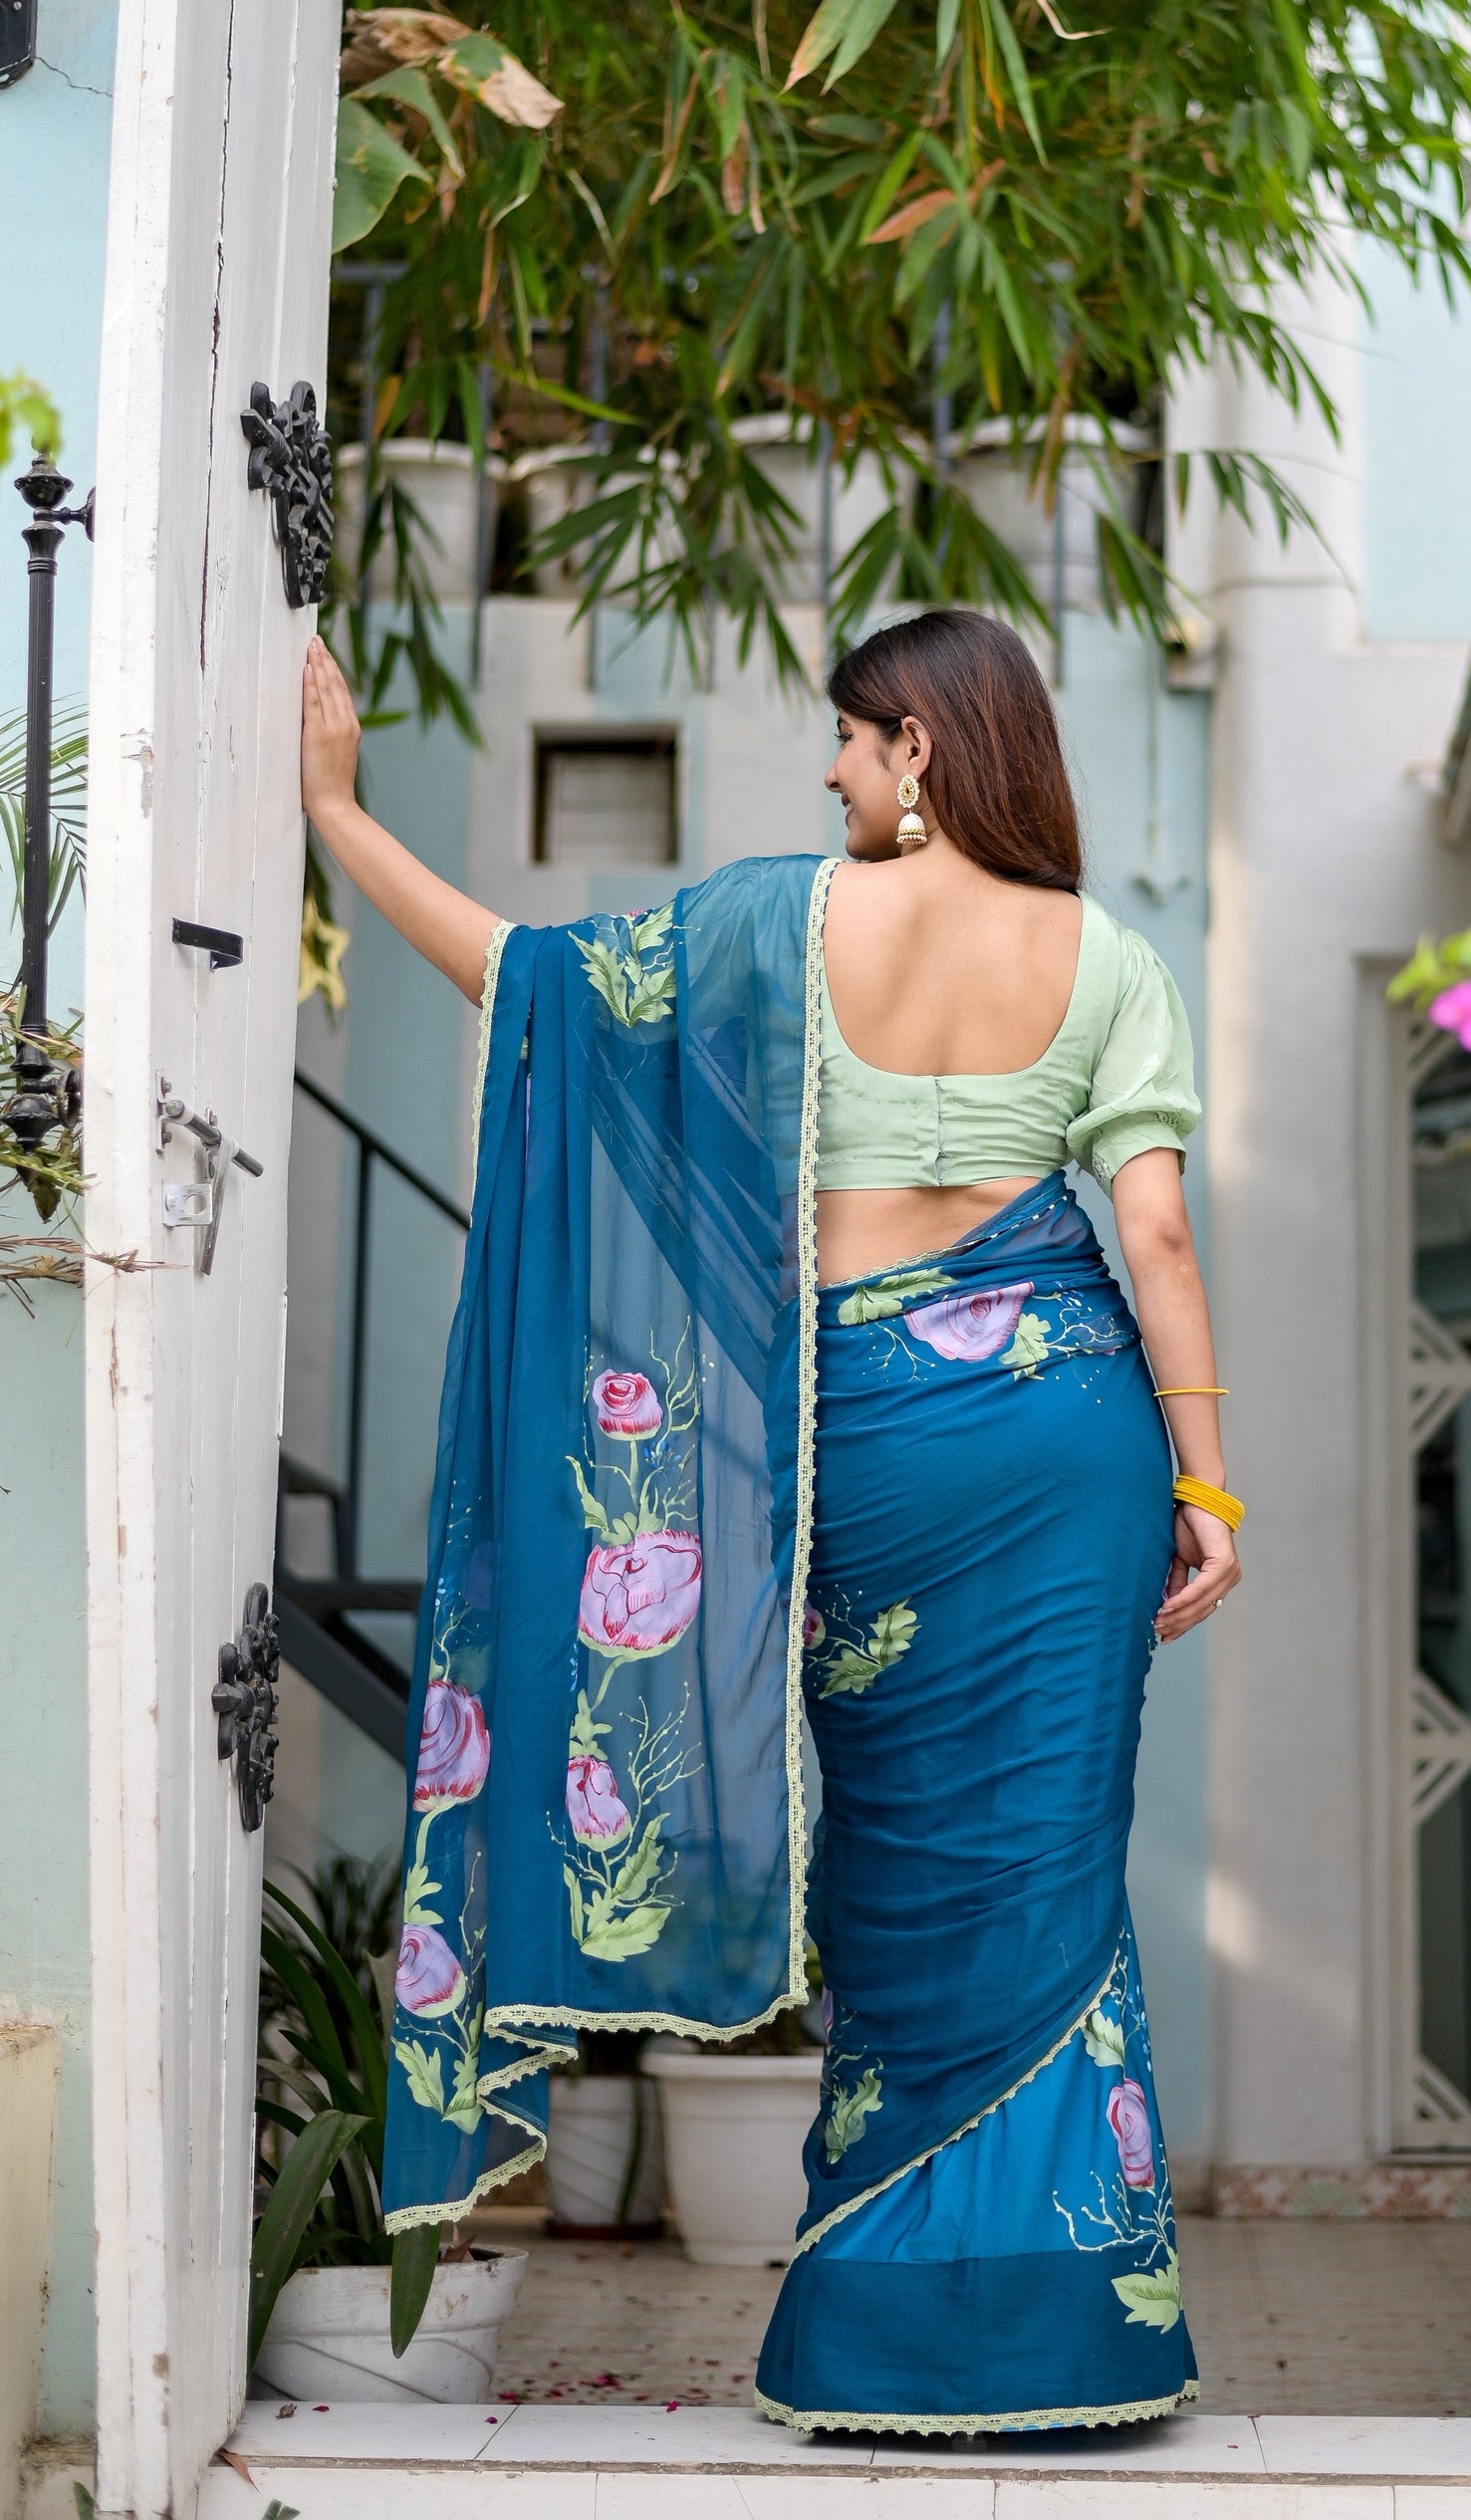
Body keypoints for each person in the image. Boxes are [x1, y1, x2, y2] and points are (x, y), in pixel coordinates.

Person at [300, 604, 1241, 2435]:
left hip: (871, 1451)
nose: (827, 770)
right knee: (1050, 1877)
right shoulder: (1111, 954)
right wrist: (1208, 1482)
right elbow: (1157, 1239)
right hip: (1077, 1445)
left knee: (894, 1876)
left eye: (848, 737)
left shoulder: (775, 931)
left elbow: (530, 985)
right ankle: (1075, 2333)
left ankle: (888, 2346)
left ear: (922, 753)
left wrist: (340, 814)